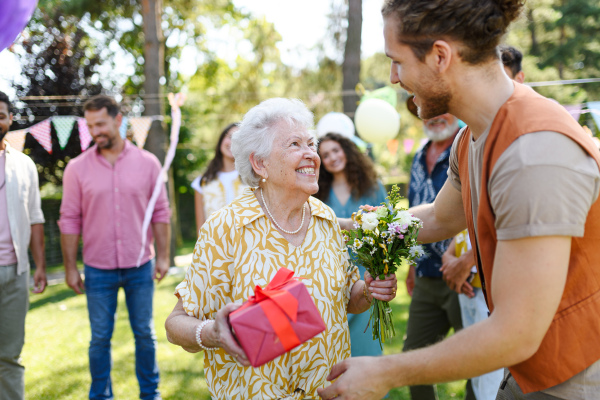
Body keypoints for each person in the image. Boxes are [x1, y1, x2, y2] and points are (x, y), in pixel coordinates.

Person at [318, 0, 600, 399]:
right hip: (527, 371)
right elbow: (437, 218)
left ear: (439, 56)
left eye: (396, 61)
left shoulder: (533, 153)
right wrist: (341, 224)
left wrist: (386, 371)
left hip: (574, 381)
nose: (394, 78)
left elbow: (515, 334)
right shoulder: (472, 138)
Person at [164, 98, 398, 400]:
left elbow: (346, 301)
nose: (311, 154)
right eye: (294, 144)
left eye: (311, 144)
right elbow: (175, 323)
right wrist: (211, 333)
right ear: (260, 163)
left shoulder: (325, 218)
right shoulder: (227, 227)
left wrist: (368, 291)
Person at [59, 95, 171, 400]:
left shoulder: (148, 163)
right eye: (91, 125)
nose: (96, 131)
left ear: (118, 120)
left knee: (145, 336)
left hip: (140, 266)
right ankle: (100, 396)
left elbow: (161, 212)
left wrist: (163, 257)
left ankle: (150, 394)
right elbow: (69, 220)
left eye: (101, 124)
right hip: (98, 269)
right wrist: (70, 268)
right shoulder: (76, 169)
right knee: (99, 339)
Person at [403, 99, 474, 400]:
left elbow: (481, 211)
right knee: (412, 356)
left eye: (441, 108)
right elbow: (415, 210)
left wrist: (468, 260)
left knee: (478, 362)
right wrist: (410, 265)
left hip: (465, 276)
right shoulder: (418, 155)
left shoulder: (469, 147)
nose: (434, 116)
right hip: (426, 275)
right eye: (427, 110)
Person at [315, 132, 387, 358]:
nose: (332, 157)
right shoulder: (316, 192)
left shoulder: (371, 185)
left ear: (346, 150)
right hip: (331, 275)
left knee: (366, 344)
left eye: (336, 150)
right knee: (334, 344)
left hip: (367, 272)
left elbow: (386, 226)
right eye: (325, 155)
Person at [0, 91, 46, 400]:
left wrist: (40, 264)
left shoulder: (24, 165)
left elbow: (35, 216)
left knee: (9, 356)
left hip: (16, 274)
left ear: (10, 119)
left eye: (1, 115)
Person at [190, 123, 248, 233]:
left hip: (249, 247)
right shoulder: (202, 182)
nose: (232, 143)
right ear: (221, 139)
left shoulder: (255, 179)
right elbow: (201, 228)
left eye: (239, 139)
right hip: (214, 247)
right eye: (230, 137)